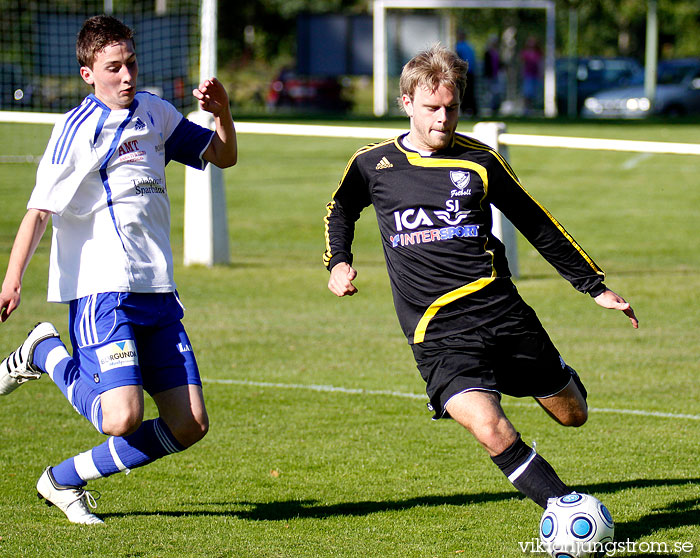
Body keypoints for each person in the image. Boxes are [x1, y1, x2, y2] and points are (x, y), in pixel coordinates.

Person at [323, 44, 637, 510]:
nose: (442, 120)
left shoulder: (481, 161)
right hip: (437, 331)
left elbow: (536, 222)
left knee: (574, 415)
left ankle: (540, 376)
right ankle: (567, 508)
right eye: (431, 109)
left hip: (502, 313)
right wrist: (338, 262)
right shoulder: (373, 164)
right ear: (407, 103)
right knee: (490, 428)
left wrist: (594, 286)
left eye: (451, 109)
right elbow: (341, 208)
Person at [0, 15, 237, 524]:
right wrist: (12, 279)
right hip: (101, 288)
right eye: (114, 67)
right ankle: (45, 352)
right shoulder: (76, 129)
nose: (127, 75)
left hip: (157, 290)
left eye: (131, 62)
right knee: (121, 417)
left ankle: (62, 479)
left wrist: (222, 114)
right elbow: (39, 211)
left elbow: (223, 155)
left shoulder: (155, 111)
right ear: (88, 73)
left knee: (190, 423)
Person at [455, 31, 477, 116]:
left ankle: (464, 109)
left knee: (463, 91)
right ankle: (471, 110)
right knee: (470, 91)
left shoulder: (458, 47)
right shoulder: (470, 47)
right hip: (471, 72)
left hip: (464, 72)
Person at [520, 36, 543, 114]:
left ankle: (531, 108)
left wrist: (541, 73)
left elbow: (540, 63)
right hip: (527, 75)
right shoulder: (525, 53)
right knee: (527, 93)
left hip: (535, 75)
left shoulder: (538, 53)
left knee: (533, 93)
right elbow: (522, 64)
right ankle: (526, 109)